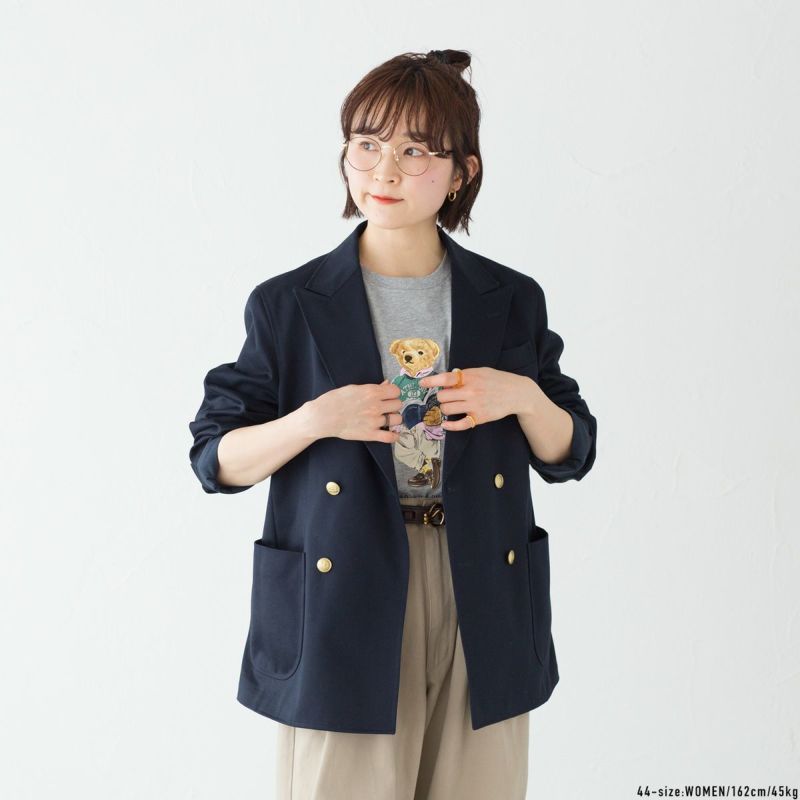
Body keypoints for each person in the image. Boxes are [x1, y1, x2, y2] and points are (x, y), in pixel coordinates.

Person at [189, 48, 597, 800]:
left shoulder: (510, 297)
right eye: (367, 143)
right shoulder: (288, 303)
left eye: (416, 151)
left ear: (463, 172)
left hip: (482, 582)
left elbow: (570, 451)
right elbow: (216, 458)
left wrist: (522, 397)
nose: (384, 170)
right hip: (347, 580)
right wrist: (316, 419)